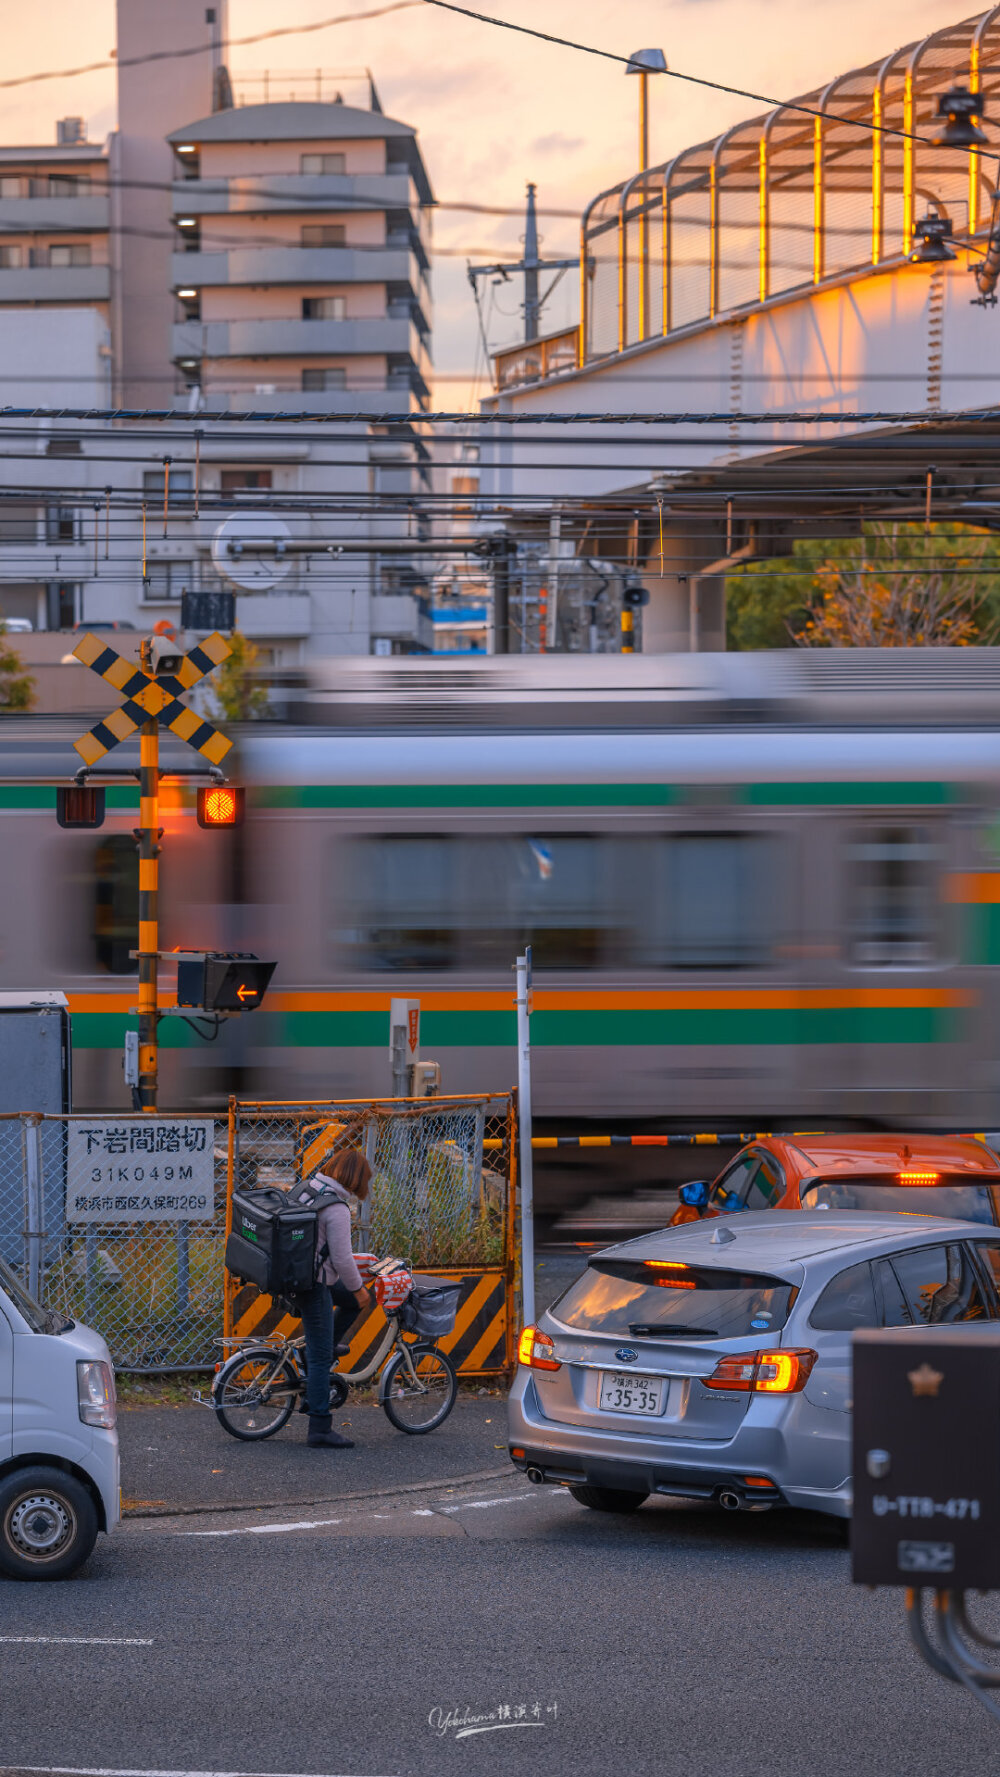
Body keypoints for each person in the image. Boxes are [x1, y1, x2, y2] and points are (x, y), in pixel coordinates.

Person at [297, 1148, 374, 1449]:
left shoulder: (310, 1187)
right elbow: (342, 1259)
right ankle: (319, 1428)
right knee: (318, 1358)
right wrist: (359, 1289)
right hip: (314, 1284)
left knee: (344, 1311)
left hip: (297, 1275)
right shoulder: (337, 1209)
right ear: (357, 1179)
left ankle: (326, 1346)